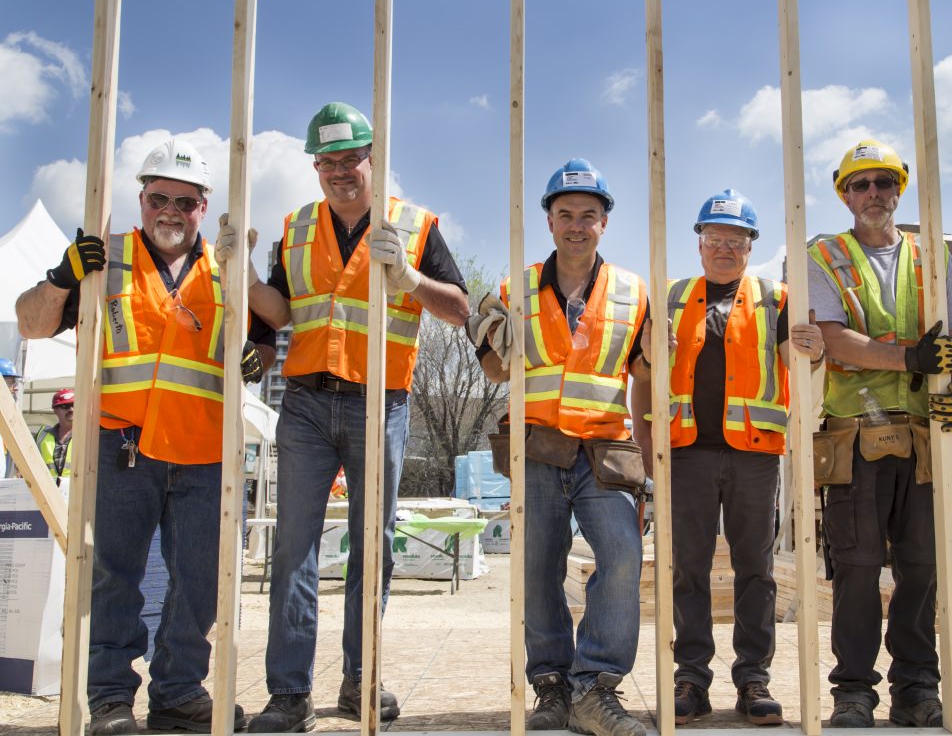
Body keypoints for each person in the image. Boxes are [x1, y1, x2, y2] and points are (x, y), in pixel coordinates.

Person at [14, 138, 271, 736]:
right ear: (142, 199)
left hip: (204, 448)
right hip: (122, 442)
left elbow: (262, 339)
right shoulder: (104, 260)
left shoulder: (225, 267)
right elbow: (30, 321)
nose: (171, 211)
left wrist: (255, 361)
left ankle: (180, 691)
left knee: (200, 578)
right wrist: (61, 275)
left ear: (204, 206)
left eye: (185, 200)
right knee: (114, 575)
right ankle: (107, 699)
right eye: (160, 197)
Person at [226, 102, 469, 733]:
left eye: (350, 159)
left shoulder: (414, 226)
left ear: (373, 161)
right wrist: (246, 277)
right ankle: (288, 694)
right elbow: (277, 318)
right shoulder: (297, 228)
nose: (340, 172)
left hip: (379, 402)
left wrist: (410, 276)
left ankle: (361, 679)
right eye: (327, 162)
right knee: (293, 550)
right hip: (305, 402)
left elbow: (460, 309)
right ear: (315, 167)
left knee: (373, 548)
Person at [474, 158, 649, 736]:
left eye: (589, 216)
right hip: (539, 450)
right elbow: (498, 371)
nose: (577, 225)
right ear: (549, 221)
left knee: (623, 557)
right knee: (538, 568)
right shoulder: (516, 288)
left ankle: (594, 688)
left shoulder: (632, 291)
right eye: (566, 214)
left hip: (603, 450)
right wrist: (483, 332)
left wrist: (650, 465)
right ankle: (551, 687)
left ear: (605, 223)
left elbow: (645, 377)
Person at [806, 139, 952, 728]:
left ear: (899, 189)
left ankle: (916, 688)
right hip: (857, 437)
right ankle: (853, 691)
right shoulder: (823, 256)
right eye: (860, 185)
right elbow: (831, 336)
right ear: (844, 195)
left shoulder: (934, 256)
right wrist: (910, 361)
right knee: (856, 568)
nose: (873, 194)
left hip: (925, 435)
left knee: (922, 566)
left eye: (883, 182)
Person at [648, 189, 824, 726]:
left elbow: (807, 374)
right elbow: (644, 371)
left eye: (736, 239)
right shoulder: (672, 297)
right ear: (699, 243)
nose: (724, 247)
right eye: (715, 238)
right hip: (688, 453)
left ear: (751, 246)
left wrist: (814, 351)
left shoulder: (777, 298)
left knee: (757, 570)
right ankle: (691, 680)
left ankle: (753, 679)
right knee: (689, 570)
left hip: (754, 456)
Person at [35, 388, 74, 484]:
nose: (71, 409)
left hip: (78, 492)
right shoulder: (42, 436)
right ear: (55, 410)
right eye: (66, 406)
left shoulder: (89, 435)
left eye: (74, 405)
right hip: (48, 491)